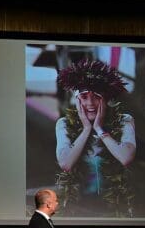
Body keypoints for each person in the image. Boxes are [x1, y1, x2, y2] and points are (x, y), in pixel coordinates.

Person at [55, 59, 136, 217]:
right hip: (79, 208)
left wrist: (99, 129)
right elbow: (65, 163)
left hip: (115, 207)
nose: (90, 103)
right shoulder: (64, 124)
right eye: (84, 97)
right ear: (77, 100)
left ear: (105, 99)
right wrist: (86, 129)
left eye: (96, 97)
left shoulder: (124, 120)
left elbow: (125, 158)